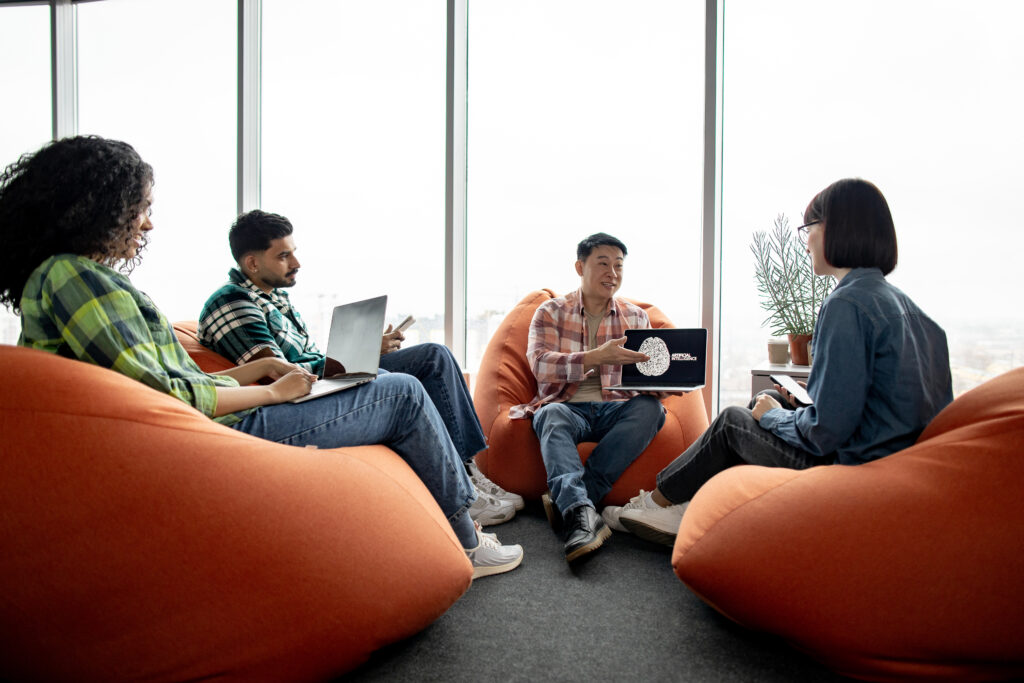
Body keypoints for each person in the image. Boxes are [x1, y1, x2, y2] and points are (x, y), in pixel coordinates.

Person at [0, 135, 523, 579]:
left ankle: (463, 483)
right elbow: (169, 398)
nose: (147, 225)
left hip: (205, 422)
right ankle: (466, 538)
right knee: (405, 394)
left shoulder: (68, 276)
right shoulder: (77, 278)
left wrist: (246, 374)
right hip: (217, 436)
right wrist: (272, 390)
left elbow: (157, 384)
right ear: (99, 206)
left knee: (416, 368)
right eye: (143, 209)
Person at [604, 178, 953, 546]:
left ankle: (655, 505)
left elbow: (825, 433)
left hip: (850, 471)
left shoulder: (847, 303)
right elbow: (887, 404)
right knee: (763, 401)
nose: (805, 242)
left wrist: (772, 415)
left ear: (836, 229)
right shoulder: (911, 311)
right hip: (895, 467)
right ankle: (694, 504)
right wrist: (803, 398)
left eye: (809, 228)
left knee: (734, 422)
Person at [196, 209, 523, 526]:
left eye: (294, 252)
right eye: (283, 256)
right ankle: (462, 490)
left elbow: (303, 361)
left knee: (434, 355)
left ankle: (467, 469)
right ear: (252, 262)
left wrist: (363, 350)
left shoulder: (275, 300)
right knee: (397, 382)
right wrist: (361, 354)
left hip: (320, 380)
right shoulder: (232, 302)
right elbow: (277, 374)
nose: (296, 263)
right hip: (293, 399)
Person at [511, 232, 667, 562]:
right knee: (549, 416)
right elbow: (539, 366)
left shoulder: (636, 317)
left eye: (619, 265)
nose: (613, 272)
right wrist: (594, 357)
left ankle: (575, 504)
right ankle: (583, 513)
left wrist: (667, 382)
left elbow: (642, 380)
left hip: (617, 408)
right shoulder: (550, 312)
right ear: (580, 267)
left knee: (651, 409)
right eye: (603, 263)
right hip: (567, 407)